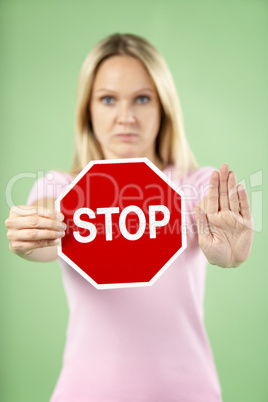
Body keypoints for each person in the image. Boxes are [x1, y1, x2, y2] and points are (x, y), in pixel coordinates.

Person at [5, 33, 254, 401]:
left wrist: (232, 255)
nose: (127, 117)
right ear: (87, 109)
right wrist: (33, 233)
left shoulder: (196, 185)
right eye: (108, 99)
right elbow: (45, 224)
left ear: (164, 107)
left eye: (142, 98)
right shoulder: (60, 188)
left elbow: (218, 220)